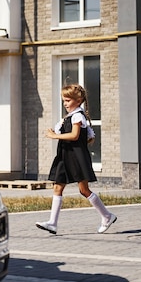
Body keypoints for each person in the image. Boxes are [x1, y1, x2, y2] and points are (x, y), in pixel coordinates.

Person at [35, 83, 117, 235]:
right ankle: (52, 223)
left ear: (78, 101)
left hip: (76, 158)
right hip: (64, 156)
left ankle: (107, 216)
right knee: (57, 187)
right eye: (64, 101)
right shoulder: (69, 117)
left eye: (68, 100)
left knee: (83, 190)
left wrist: (55, 136)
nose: (65, 103)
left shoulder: (78, 116)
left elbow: (75, 135)